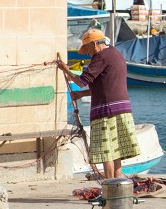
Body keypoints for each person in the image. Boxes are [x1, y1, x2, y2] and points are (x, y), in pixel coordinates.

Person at [55, 28, 139, 179]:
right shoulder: (115, 54)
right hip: (123, 108)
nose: (87, 53)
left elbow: (81, 81)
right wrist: (82, 95)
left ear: (94, 44)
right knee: (117, 150)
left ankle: (109, 185)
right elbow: (106, 86)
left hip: (106, 111)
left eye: (87, 48)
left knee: (106, 151)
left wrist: (65, 69)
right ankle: (118, 180)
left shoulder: (100, 57)